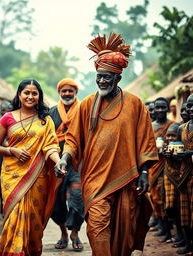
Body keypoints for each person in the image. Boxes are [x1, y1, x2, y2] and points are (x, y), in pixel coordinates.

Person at [55, 32, 158, 256]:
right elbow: (73, 138)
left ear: (118, 78)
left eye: (107, 77)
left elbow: (145, 139)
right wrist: (64, 158)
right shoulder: (87, 105)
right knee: (97, 228)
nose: (102, 81)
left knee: (124, 231)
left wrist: (145, 172)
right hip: (95, 180)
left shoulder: (135, 104)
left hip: (127, 179)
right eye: (99, 76)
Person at [0, 79, 63, 256]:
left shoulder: (45, 120)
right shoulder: (7, 118)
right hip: (12, 176)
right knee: (15, 216)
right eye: (27, 92)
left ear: (39, 96)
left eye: (34, 93)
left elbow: (50, 146)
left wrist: (58, 162)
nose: (30, 96)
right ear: (19, 94)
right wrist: (12, 150)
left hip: (37, 176)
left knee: (33, 220)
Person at [50, 78, 84, 252]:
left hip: (78, 164)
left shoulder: (83, 110)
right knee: (56, 202)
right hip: (56, 164)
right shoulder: (51, 112)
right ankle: (63, 233)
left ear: (76, 92)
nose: (67, 94)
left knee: (78, 198)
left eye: (70, 90)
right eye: (64, 91)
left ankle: (75, 233)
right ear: (59, 93)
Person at [149, 97, 174, 241]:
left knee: (168, 199)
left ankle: (171, 231)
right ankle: (164, 230)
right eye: (157, 107)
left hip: (171, 166)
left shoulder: (173, 126)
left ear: (168, 109)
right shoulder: (150, 127)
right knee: (156, 198)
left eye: (162, 107)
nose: (159, 110)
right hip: (154, 166)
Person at [174, 94, 193, 254]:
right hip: (184, 175)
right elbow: (179, 149)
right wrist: (174, 154)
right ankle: (188, 244)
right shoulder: (182, 128)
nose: (191, 109)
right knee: (185, 212)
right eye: (189, 105)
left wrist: (190, 153)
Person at [162, 123, 183, 245]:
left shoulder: (181, 147)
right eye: (168, 136)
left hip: (181, 179)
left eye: (173, 136)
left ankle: (181, 236)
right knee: (170, 208)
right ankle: (176, 233)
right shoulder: (166, 148)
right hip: (169, 179)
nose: (170, 139)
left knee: (181, 209)